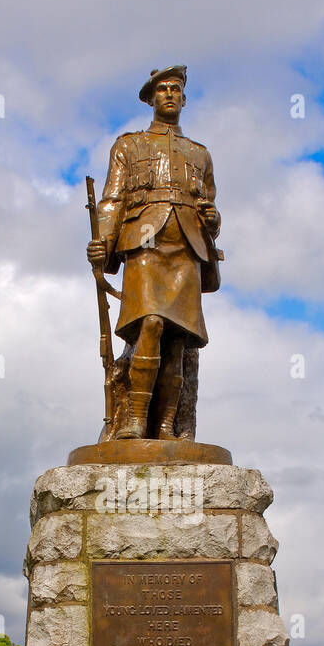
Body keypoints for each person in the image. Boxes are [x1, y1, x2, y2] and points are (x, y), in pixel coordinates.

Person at [86, 64, 221, 440]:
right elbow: (113, 200)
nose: (170, 95)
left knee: (178, 339)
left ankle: (167, 424)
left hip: (187, 247)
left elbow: (211, 208)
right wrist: (104, 243)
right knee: (151, 323)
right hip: (144, 241)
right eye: (163, 89)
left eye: (176, 89)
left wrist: (213, 219)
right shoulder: (129, 145)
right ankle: (135, 419)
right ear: (151, 98)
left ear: (184, 98)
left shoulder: (200, 154)